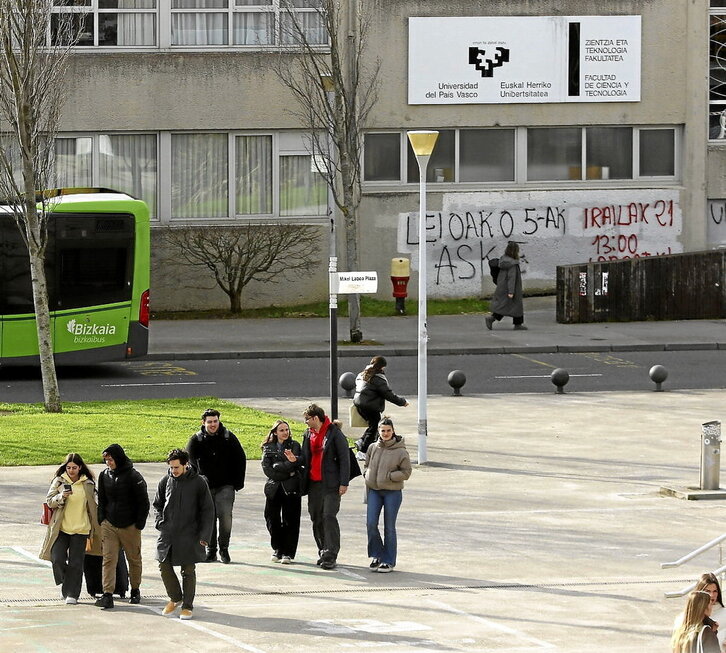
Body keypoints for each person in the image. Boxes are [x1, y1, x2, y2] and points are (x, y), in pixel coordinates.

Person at [153, 448, 214, 621]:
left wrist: (204, 537)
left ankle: (187, 605)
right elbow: (157, 504)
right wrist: (159, 522)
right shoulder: (165, 481)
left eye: (176, 467)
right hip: (168, 533)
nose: (173, 471)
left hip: (190, 534)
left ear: (186, 464)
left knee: (188, 570)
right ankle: (175, 598)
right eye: (171, 467)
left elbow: (208, 511)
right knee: (163, 565)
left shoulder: (199, 483)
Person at [39, 453, 103, 604]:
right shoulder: (59, 481)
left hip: (81, 529)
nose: (71, 471)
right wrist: (61, 497)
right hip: (61, 528)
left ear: (80, 467)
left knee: (76, 563)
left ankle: (72, 594)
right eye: (68, 468)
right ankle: (68, 583)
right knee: (57, 559)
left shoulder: (87, 483)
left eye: (74, 468)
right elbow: (49, 502)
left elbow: (93, 506)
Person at [187, 408, 247, 564]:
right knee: (209, 519)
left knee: (225, 516)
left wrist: (237, 482)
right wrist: (196, 483)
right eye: (210, 422)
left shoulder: (229, 438)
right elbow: (190, 464)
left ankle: (224, 549)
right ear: (203, 423)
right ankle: (211, 551)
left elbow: (240, 459)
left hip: (226, 485)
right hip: (205, 487)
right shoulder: (196, 440)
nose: (213, 425)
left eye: (215, 421)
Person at [95, 443, 150, 610]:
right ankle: (107, 594)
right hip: (109, 524)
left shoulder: (134, 476)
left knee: (134, 559)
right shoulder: (104, 475)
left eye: (110, 460)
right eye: (106, 460)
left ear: (118, 458)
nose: (108, 463)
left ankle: (135, 590)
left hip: (130, 526)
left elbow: (144, 502)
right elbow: (102, 499)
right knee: (109, 558)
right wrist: (102, 519)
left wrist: (138, 524)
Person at [300, 403, 350, 570]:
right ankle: (322, 549)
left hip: (331, 484)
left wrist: (344, 483)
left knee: (329, 516)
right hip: (314, 483)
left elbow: (345, 459)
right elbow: (305, 457)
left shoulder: (334, 434)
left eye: (307, 419)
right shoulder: (308, 434)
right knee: (316, 517)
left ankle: (331, 553)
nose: (305, 422)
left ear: (315, 418)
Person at [363, 418, 412, 573]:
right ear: (378, 431)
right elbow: (367, 465)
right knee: (371, 523)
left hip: (392, 492)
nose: (385, 433)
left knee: (389, 527)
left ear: (393, 431)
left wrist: (390, 476)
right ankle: (377, 555)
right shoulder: (372, 447)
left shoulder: (401, 451)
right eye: (382, 430)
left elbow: (406, 472)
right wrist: (367, 474)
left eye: (388, 430)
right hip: (374, 491)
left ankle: (388, 560)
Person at [261, 420, 303, 564]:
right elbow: (267, 469)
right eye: (282, 430)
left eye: (287, 430)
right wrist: (285, 471)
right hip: (274, 488)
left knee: (290, 520)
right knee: (271, 518)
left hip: (291, 488)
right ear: (275, 432)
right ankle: (278, 548)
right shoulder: (268, 447)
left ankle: (288, 552)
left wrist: (279, 466)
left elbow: (296, 462)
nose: (285, 433)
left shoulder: (295, 445)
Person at [353, 356, 408, 454]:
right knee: (375, 427)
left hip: (359, 403)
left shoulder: (362, 374)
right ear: (382, 367)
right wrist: (402, 402)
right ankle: (363, 451)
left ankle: (361, 441)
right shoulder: (378, 378)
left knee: (373, 425)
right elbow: (388, 394)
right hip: (369, 405)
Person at [485, 241, 527, 331]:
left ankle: (518, 323)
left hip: (502, 287)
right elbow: (511, 279)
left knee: (506, 306)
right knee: (513, 305)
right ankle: (492, 319)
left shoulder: (503, 259)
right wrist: (511, 292)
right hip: (511, 289)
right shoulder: (513, 264)